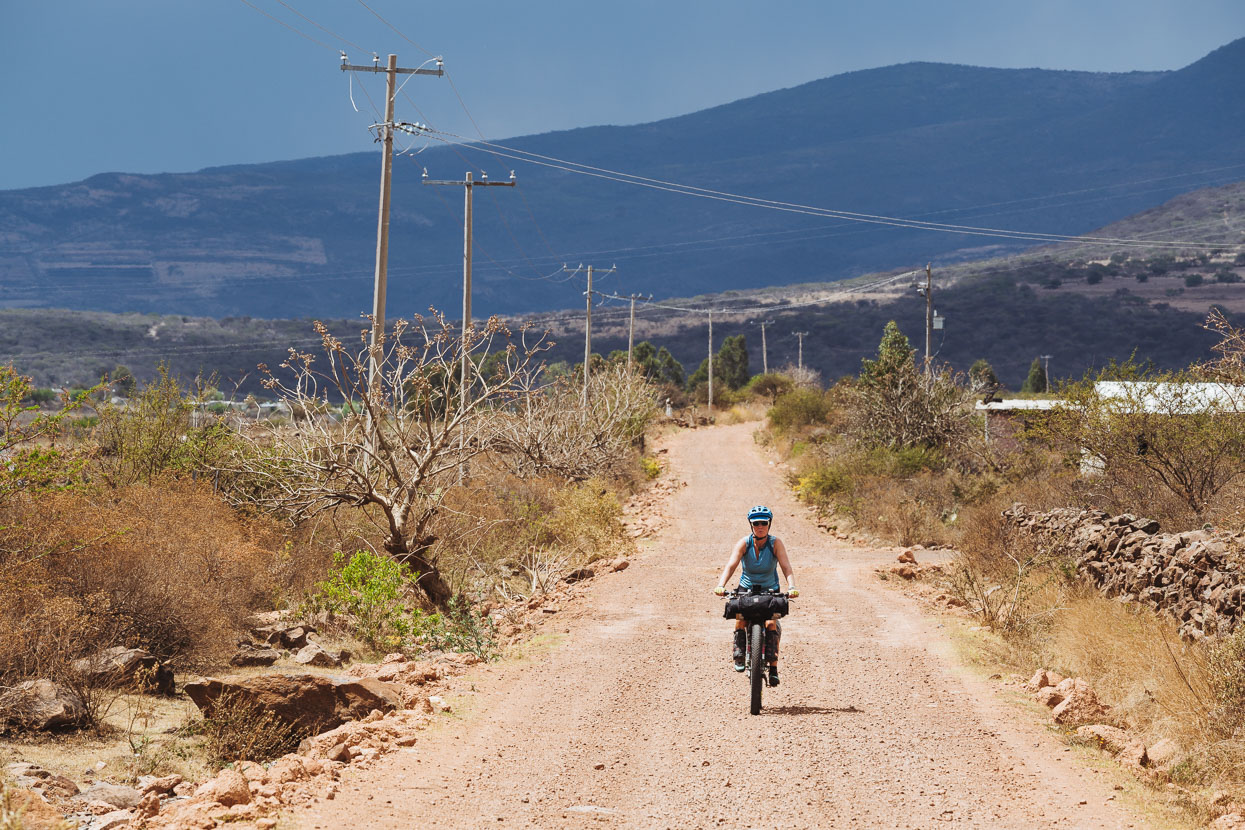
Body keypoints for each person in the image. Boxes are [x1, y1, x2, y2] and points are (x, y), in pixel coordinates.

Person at [713, 505, 797, 685]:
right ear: (751, 525)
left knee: (771, 624)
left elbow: (786, 567)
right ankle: (739, 654)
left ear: (769, 524)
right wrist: (721, 585)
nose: (760, 526)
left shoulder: (776, 543)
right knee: (741, 618)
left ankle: (773, 668)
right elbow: (731, 565)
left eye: (764, 523)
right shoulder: (744, 543)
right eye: (756, 523)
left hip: (770, 589)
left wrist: (791, 587)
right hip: (747, 587)